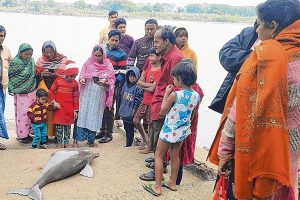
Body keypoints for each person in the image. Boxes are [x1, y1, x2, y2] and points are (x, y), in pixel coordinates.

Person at [208, 0, 300, 199]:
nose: (256, 30)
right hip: (288, 158)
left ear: (273, 25)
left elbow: (238, 110)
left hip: (255, 156)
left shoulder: (266, 57)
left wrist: (225, 152)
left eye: (259, 24)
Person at [143, 60, 201, 196]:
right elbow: (192, 115)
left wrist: (166, 94)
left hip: (169, 130)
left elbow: (162, 110)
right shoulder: (196, 95)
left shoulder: (176, 94)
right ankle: (172, 182)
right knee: (175, 155)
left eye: (174, 78)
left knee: (158, 155)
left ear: (180, 80)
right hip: (182, 130)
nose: (173, 81)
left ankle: (157, 187)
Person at [139, 28, 183, 181]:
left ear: (167, 42)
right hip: (158, 100)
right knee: (158, 137)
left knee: (161, 140)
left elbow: (174, 86)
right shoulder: (168, 56)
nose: (154, 44)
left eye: (157, 41)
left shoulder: (174, 58)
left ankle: (160, 170)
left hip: (163, 104)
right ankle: (159, 163)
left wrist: (164, 107)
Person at [209, 24, 258, 114]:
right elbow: (225, 54)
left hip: (253, 101)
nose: (259, 29)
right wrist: (256, 57)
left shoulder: (280, 39)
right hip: (232, 94)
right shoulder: (248, 32)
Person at [77, 44, 115, 147]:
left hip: (98, 94)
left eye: (100, 56)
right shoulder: (88, 63)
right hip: (87, 94)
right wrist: (82, 80)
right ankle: (82, 137)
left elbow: (111, 81)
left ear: (104, 55)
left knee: (94, 115)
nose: (97, 58)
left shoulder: (108, 65)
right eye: (96, 55)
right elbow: (82, 76)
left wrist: (105, 82)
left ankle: (91, 140)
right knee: (85, 114)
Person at [98, 30, 127, 143]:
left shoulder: (121, 54)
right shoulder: (102, 50)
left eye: (116, 40)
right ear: (108, 39)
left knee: (109, 108)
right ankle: (102, 130)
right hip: (99, 83)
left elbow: (122, 74)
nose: (114, 42)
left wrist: (111, 83)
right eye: (112, 40)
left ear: (119, 41)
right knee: (100, 107)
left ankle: (108, 133)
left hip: (111, 85)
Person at [36, 40, 67, 138]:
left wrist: (54, 74)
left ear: (55, 51)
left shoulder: (62, 59)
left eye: (51, 52)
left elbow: (66, 75)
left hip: (56, 88)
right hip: (43, 86)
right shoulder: (40, 61)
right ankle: (44, 135)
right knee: (43, 110)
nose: (48, 54)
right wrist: (41, 74)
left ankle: (56, 135)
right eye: (46, 52)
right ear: (43, 51)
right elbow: (34, 76)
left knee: (56, 111)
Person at [134, 47, 161, 153]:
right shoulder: (149, 68)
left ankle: (150, 146)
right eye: (149, 55)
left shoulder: (160, 71)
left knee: (151, 124)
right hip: (144, 100)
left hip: (152, 102)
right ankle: (146, 139)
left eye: (152, 55)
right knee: (136, 120)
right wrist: (147, 86)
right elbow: (140, 82)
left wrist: (143, 85)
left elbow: (153, 88)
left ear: (159, 57)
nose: (150, 58)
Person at [8, 43, 36, 144]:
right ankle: (23, 136)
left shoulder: (32, 61)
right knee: (22, 114)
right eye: (26, 54)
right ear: (20, 53)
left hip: (32, 92)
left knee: (31, 113)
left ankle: (28, 133)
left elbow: (33, 75)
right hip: (20, 94)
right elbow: (12, 77)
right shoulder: (15, 62)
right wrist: (21, 86)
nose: (28, 56)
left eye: (30, 54)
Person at [49, 61, 79, 148]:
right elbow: (51, 91)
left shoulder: (75, 83)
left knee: (68, 127)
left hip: (69, 109)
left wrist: (75, 110)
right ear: (66, 73)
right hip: (59, 108)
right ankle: (59, 143)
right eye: (71, 76)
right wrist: (54, 102)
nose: (73, 78)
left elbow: (76, 97)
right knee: (59, 127)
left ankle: (66, 143)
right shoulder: (58, 80)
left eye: (75, 76)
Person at [119, 66, 143, 147]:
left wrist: (135, 109)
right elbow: (121, 96)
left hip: (131, 112)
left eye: (134, 76)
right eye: (130, 76)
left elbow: (138, 100)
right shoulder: (125, 85)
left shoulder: (138, 88)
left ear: (137, 77)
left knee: (130, 130)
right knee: (126, 128)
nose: (132, 78)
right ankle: (128, 143)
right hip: (124, 111)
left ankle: (129, 145)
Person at [0, 25, 10, 150]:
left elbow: (9, 66)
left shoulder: (7, 50)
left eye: (2, 36)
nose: (0, 38)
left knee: (0, 114)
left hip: (2, 88)